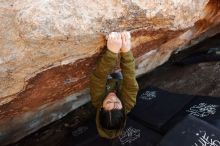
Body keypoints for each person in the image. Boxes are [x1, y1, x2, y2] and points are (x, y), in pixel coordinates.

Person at [90, 31, 139, 139]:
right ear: (123, 109)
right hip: (120, 83)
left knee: (104, 76)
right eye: (117, 102)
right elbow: (130, 81)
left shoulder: (97, 100)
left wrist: (112, 52)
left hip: (107, 82)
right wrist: (126, 51)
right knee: (120, 74)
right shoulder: (128, 103)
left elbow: (98, 78)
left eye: (108, 102)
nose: (112, 97)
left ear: (102, 107)